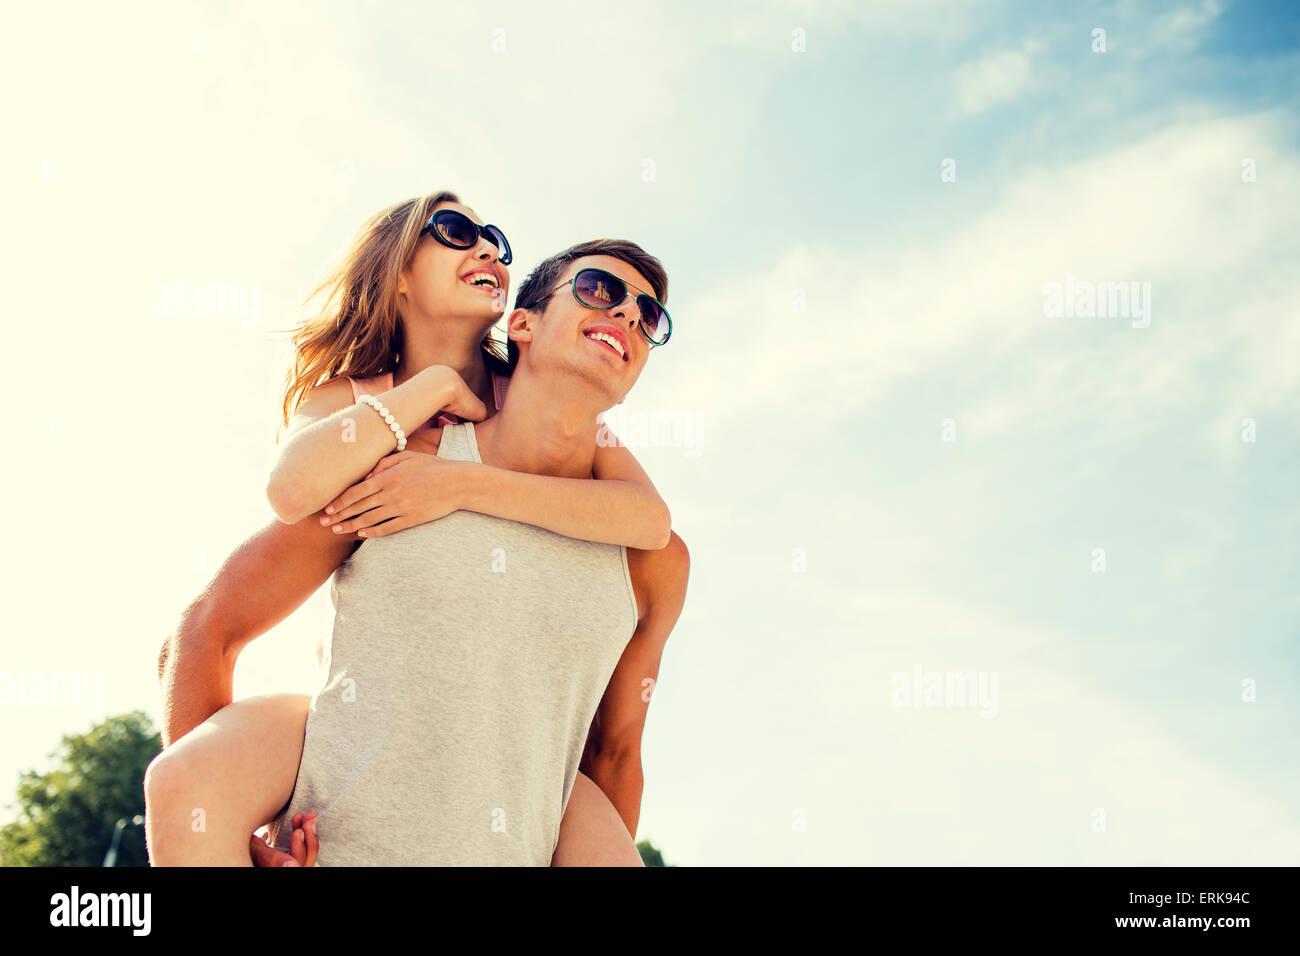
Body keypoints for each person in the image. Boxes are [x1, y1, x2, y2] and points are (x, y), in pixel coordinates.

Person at [146, 192, 688, 865]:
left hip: (519, 822)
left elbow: (616, 749)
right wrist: (241, 831)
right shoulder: (387, 456)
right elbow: (222, 602)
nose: (628, 314)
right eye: (598, 289)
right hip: (351, 796)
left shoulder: (633, 535)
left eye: (649, 315)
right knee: (185, 779)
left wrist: (463, 485)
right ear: (523, 323)